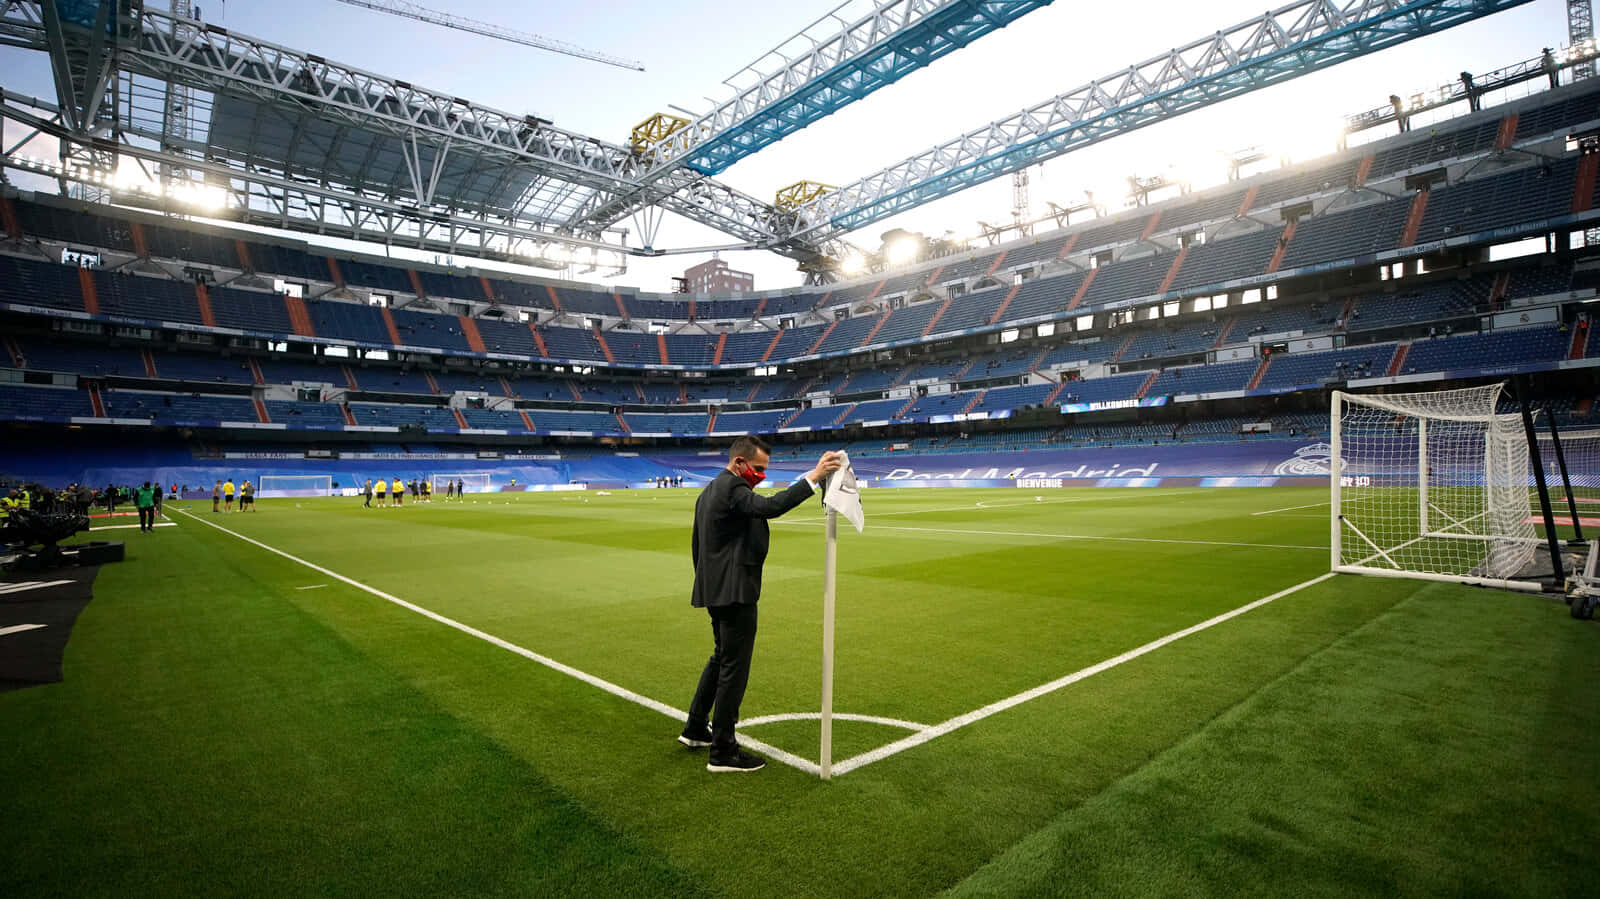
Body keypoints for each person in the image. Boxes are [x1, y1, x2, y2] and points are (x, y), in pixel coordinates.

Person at [681, 437, 843, 773]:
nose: (761, 476)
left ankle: (697, 727)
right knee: (733, 668)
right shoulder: (733, 488)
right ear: (739, 463)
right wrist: (813, 478)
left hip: (716, 589)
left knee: (721, 658)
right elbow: (769, 507)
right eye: (757, 469)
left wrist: (708, 584)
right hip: (735, 592)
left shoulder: (709, 490)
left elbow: (698, 543)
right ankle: (723, 750)